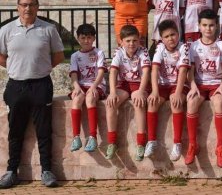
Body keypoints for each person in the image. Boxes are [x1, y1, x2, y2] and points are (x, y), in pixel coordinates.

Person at [0, 0, 64, 188]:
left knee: (44, 131)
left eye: (31, 4)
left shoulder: (48, 29)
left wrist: (40, 67)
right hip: (16, 86)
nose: (28, 8)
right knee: (15, 131)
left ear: (37, 6)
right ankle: (11, 172)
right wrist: (17, 68)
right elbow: (1, 57)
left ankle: (46, 171)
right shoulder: (7, 30)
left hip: (41, 85)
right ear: (18, 7)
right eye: (24, 4)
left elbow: (59, 55)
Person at [185, 9, 222, 168]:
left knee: (219, 103)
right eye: (204, 25)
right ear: (199, 26)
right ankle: (192, 145)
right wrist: (192, 86)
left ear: (216, 26)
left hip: (216, 84)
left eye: (211, 25)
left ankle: (220, 146)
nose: (208, 29)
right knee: (191, 103)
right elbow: (189, 71)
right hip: (199, 85)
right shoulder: (193, 46)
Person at [105, 25, 151, 161]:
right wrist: (112, 92)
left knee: (138, 102)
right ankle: (112, 142)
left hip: (139, 84)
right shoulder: (119, 52)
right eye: (128, 41)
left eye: (135, 40)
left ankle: (141, 143)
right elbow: (113, 71)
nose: (132, 44)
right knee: (110, 104)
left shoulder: (143, 51)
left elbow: (147, 72)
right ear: (122, 41)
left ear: (139, 41)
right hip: (124, 84)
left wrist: (142, 91)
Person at [147, 20, 190, 161]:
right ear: (162, 39)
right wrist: (154, 91)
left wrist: (178, 93)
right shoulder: (160, 48)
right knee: (152, 102)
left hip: (179, 85)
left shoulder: (184, 48)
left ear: (178, 34)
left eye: (173, 35)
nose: (170, 38)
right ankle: (151, 141)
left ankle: (177, 143)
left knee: (175, 102)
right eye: (166, 36)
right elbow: (154, 70)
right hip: (163, 85)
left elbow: (183, 71)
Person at [69, 23, 107, 153]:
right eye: (83, 38)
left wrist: (95, 86)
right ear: (78, 38)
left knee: (90, 98)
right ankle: (76, 137)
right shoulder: (75, 56)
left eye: (89, 38)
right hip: (81, 85)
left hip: (96, 85)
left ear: (94, 38)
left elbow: (101, 71)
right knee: (76, 100)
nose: (86, 41)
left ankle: (93, 137)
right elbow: (74, 74)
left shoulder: (99, 53)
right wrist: (76, 87)